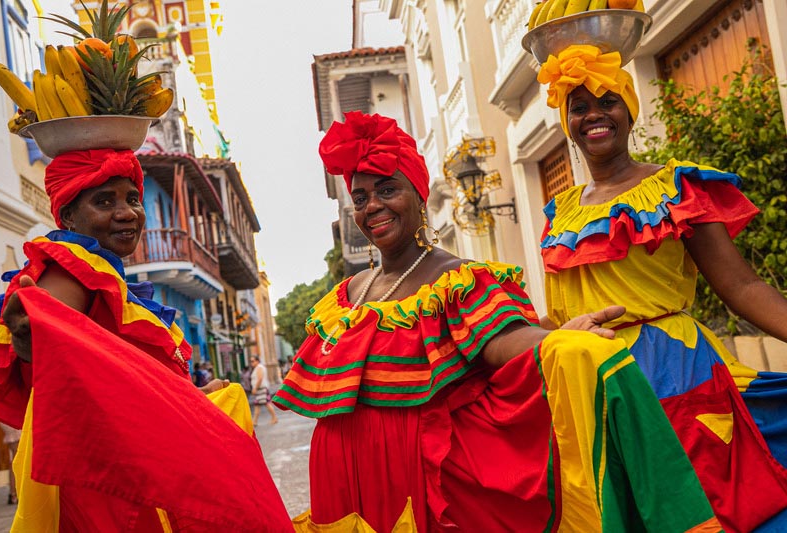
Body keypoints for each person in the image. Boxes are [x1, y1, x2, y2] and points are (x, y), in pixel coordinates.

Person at [274, 111, 720, 532]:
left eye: (387, 190)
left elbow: (503, 339)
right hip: (345, 481)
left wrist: (554, 341)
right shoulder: (343, 298)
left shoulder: (454, 279)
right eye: (360, 197)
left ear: (418, 195)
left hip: (413, 480)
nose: (372, 205)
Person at [537, 44, 787, 532]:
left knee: (706, 509)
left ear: (630, 111)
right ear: (567, 122)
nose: (594, 115)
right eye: (579, 106)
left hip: (676, 372)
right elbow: (560, 312)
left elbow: (741, 285)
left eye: (607, 101)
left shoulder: (676, 188)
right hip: (594, 383)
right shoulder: (558, 212)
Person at [0, 148, 292, 531]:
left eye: (133, 199)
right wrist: (33, 336)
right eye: (104, 201)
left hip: (123, 476)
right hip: (111, 488)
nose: (127, 212)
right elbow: (51, 335)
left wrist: (190, 402)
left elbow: (119, 383)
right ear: (67, 216)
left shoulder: (103, 276)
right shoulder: (73, 270)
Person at [250, 355, 278, 426]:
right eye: (250, 361)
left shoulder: (259, 367)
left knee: (266, 403)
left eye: (253, 361)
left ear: (257, 361)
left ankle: (274, 418)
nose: (251, 363)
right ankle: (255, 421)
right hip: (260, 389)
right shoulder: (258, 368)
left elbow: (260, 378)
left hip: (261, 389)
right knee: (258, 405)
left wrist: (255, 388)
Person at [0, 421, 20, 505]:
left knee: (14, 458)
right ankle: (14, 494)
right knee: (16, 458)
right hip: (12, 420)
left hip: (10, 418)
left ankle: (13, 493)